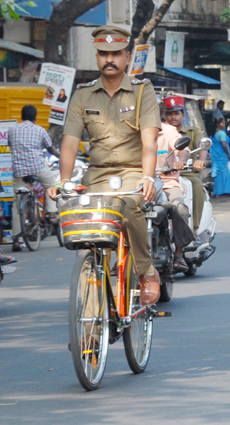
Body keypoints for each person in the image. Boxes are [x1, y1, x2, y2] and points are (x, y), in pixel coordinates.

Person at [47, 25, 161, 305]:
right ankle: (90, 320)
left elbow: (149, 141)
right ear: (97, 57)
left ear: (126, 56)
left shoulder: (141, 91)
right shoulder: (82, 95)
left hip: (134, 171)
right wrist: (62, 181)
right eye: (103, 54)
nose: (109, 59)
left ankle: (146, 270)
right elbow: (70, 141)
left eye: (116, 53)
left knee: (129, 206)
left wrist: (147, 177)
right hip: (97, 174)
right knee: (85, 223)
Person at [9, 105, 59, 252]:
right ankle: (51, 213)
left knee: (18, 204)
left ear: (22, 115)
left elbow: (10, 146)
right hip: (38, 167)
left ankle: (16, 241)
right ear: (35, 116)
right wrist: (61, 156)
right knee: (51, 185)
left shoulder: (12, 130)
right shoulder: (40, 130)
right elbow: (50, 148)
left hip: (19, 171)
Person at [164, 95, 207, 233]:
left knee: (197, 185)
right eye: (170, 114)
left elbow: (203, 147)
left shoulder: (193, 131)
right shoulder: (159, 132)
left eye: (176, 113)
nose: (173, 117)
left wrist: (200, 160)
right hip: (164, 174)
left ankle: (194, 228)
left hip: (186, 173)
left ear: (183, 115)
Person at [156, 121, 195, 272]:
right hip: (141, 184)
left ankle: (179, 253)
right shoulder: (132, 130)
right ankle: (124, 257)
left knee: (180, 209)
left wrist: (182, 161)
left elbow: (183, 149)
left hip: (167, 182)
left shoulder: (167, 131)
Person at [209, 117, 230, 196]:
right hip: (222, 155)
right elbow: (224, 144)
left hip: (215, 156)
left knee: (217, 174)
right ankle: (222, 191)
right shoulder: (221, 133)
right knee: (223, 173)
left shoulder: (213, 133)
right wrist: (228, 153)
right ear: (218, 124)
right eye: (223, 123)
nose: (224, 124)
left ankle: (217, 192)